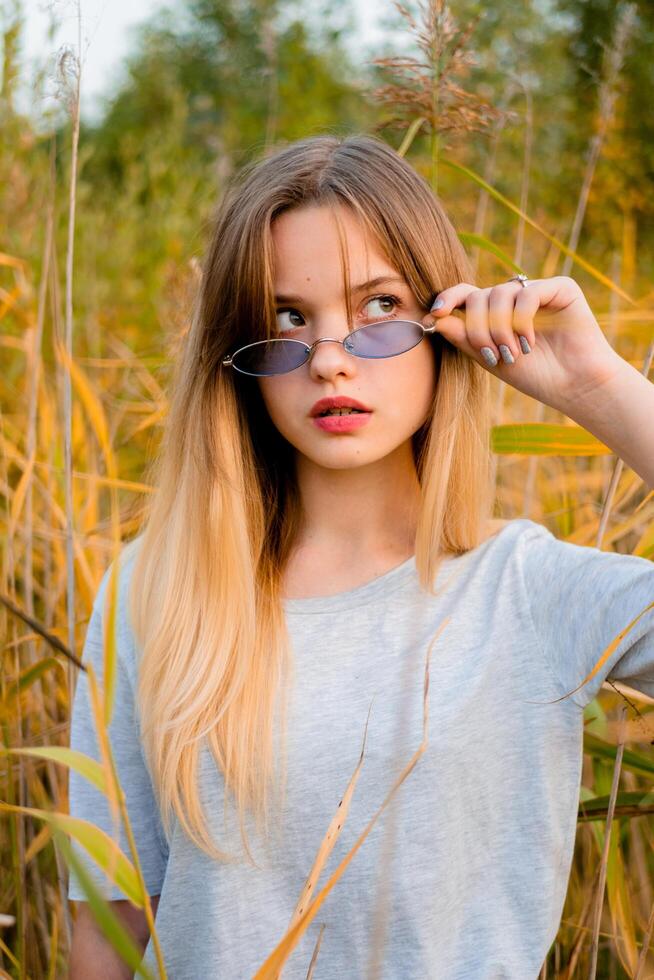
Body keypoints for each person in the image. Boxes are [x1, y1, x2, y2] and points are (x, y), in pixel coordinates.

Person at [67, 133, 654, 979]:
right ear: (240, 359)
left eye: (379, 307)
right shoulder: (154, 591)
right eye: (286, 319)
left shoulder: (526, 592)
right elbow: (110, 924)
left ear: (445, 320)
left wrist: (598, 387)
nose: (331, 359)